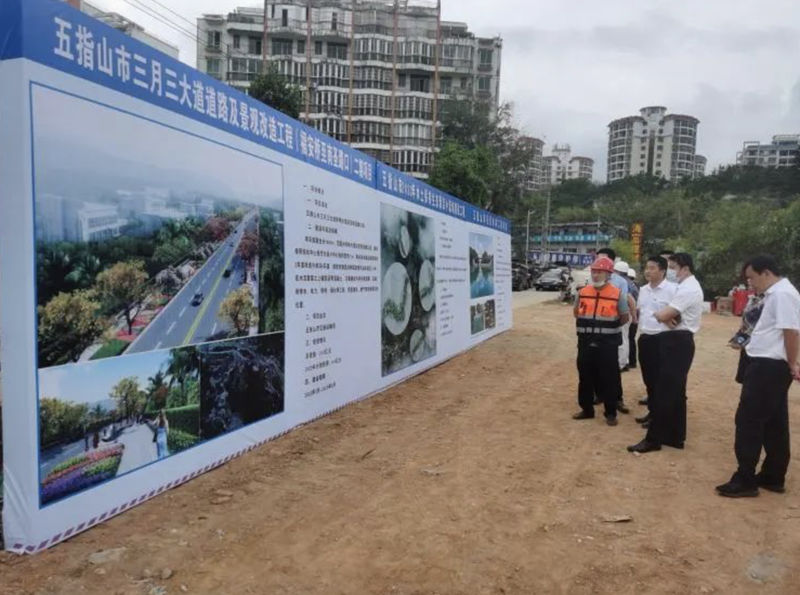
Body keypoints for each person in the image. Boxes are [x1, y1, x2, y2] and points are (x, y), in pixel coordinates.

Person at [716, 256, 800, 497]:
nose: (750, 283)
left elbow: (791, 332)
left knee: (748, 421)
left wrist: (792, 363)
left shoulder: (783, 295)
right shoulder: (776, 294)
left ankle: (745, 478)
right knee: (774, 422)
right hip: (768, 364)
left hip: (768, 366)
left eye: (752, 278)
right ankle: (773, 475)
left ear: (766, 273)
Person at [628, 253, 703, 453]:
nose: (670, 271)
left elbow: (665, 314)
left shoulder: (686, 288)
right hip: (673, 339)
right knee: (675, 393)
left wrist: (659, 314)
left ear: (684, 268)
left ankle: (653, 439)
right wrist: (661, 315)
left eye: (672, 266)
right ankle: (675, 436)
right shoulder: (686, 286)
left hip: (677, 341)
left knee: (664, 392)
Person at [572, 256, 630, 426]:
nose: (596, 275)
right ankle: (587, 409)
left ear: (608, 274)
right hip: (585, 342)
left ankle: (610, 413)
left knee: (609, 378)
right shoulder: (582, 292)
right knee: (585, 377)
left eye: (600, 272)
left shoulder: (617, 294)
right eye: (594, 272)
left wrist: (606, 329)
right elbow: (576, 312)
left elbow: (624, 316)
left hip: (608, 344)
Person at [633, 256, 677, 427]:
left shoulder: (673, 290)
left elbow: (677, 316)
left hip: (663, 339)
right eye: (646, 268)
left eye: (652, 268)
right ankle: (652, 411)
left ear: (663, 271)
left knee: (661, 381)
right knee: (649, 379)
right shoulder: (643, 290)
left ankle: (660, 416)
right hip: (645, 338)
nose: (647, 271)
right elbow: (641, 312)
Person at [596, 248, 636, 413]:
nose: (599, 262)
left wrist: (621, 323)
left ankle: (617, 399)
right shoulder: (593, 278)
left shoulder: (620, 282)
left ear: (611, 262)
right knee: (596, 365)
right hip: (596, 328)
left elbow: (625, 304)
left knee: (612, 367)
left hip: (612, 328)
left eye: (603, 259)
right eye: (598, 259)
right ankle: (599, 395)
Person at [626, 267, 640, 369]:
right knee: (631, 338)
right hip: (636, 315)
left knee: (627, 338)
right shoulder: (636, 287)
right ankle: (632, 361)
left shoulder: (627, 286)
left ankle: (627, 360)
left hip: (630, 314)